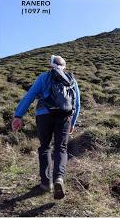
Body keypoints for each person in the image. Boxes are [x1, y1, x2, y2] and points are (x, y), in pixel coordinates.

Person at [11, 55, 80, 199]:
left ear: (51, 66)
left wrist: (18, 116)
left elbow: (29, 96)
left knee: (45, 147)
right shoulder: (71, 79)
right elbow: (77, 103)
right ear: (64, 67)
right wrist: (72, 123)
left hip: (43, 115)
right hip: (65, 116)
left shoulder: (43, 77)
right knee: (61, 147)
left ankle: (46, 183)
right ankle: (59, 178)